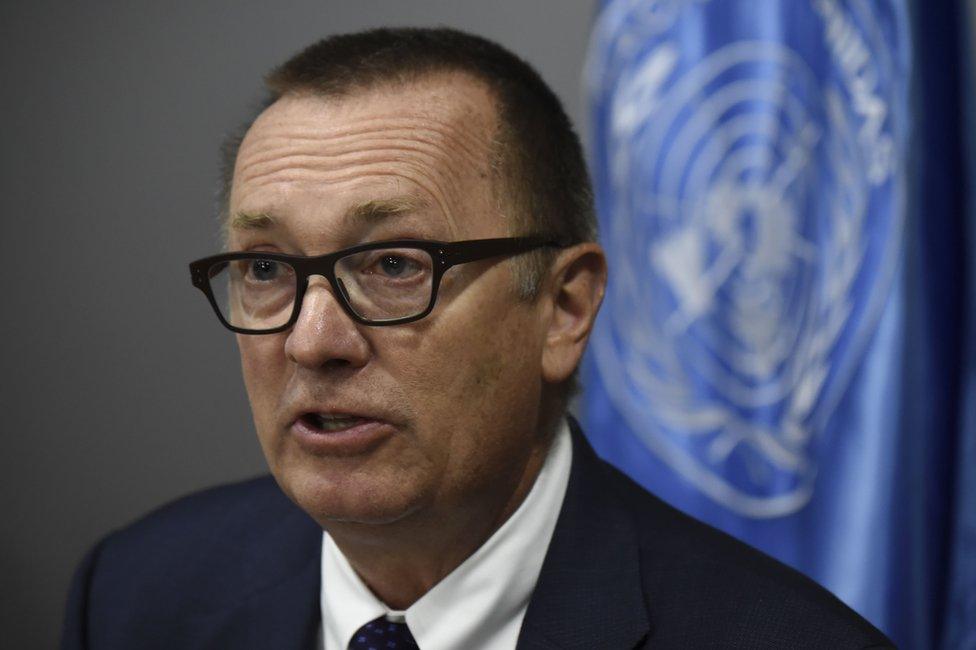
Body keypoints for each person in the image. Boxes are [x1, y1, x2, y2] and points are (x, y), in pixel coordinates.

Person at [61, 27, 892, 650]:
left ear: (564, 308)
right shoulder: (135, 597)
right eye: (268, 269)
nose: (313, 341)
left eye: (393, 263)